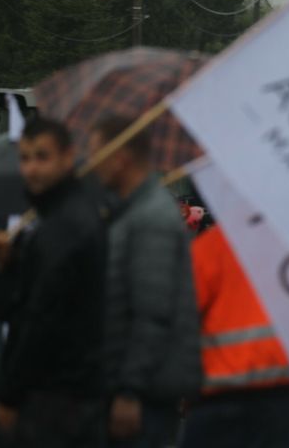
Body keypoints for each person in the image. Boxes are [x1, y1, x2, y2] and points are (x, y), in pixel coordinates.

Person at [0, 118, 107, 447]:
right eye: (25, 158)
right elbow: (7, 305)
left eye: (42, 157)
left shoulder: (65, 227)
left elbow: (38, 318)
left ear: (68, 157)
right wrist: (9, 264)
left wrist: (9, 394)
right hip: (60, 397)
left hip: (55, 400)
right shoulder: (53, 221)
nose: (31, 169)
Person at [87, 115, 202, 448]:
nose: (92, 166)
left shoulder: (151, 219)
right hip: (129, 391)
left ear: (120, 158)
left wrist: (130, 391)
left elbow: (152, 315)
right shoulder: (131, 213)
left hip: (142, 399)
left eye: (97, 155)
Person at [178, 225, 289, 448]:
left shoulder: (211, 246)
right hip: (279, 391)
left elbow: (185, 322)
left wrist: (183, 388)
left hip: (220, 393)